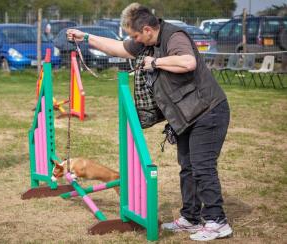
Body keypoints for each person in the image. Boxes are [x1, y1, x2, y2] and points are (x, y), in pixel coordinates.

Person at [66, 2, 232, 241]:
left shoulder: (174, 36)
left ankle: (218, 222)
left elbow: (188, 62)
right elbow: (118, 48)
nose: (135, 41)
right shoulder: (147, 40)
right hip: (187, 115)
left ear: (146, 29)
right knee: (187, 167)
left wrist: (155, 62)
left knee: (202, 167)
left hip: (209, 111)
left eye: (135, 36)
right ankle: (191, 217)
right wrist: (86, 37)